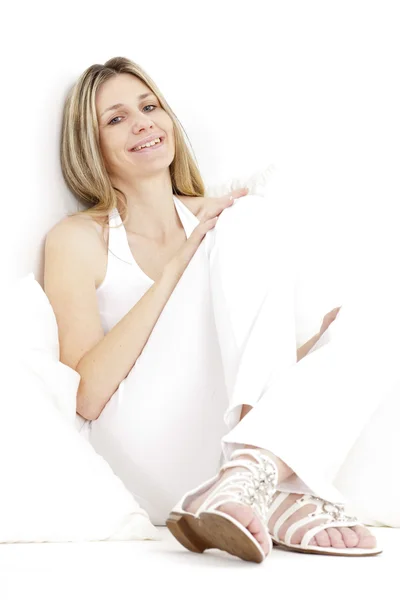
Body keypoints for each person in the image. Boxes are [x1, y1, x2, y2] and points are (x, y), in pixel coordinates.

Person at [44, 56, 394, 564]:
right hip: (143, 451)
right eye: (116, 118)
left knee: (377, 321)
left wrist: (320, 351)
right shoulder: (79, 238)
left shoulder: (217, 219)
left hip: (220, 452)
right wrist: (176, 268)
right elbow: (87, 396)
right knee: (245, 216)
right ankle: (277, 485)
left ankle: (253, 477)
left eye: (149, 106)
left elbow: (234, 365)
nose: (142, 122)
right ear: (90, 145)